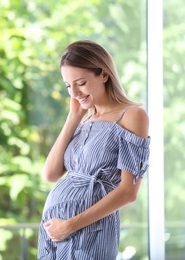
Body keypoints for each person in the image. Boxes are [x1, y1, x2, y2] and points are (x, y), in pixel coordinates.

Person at [37, 40, 151, 260]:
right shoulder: (85, 118)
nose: (75, 92)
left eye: (81, 83)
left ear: (104, 75)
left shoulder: (132, 116)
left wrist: (70, 225)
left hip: (90, 233)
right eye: (68, 86)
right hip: (54, 232)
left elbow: (129, 192)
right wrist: (73, 117)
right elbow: (50, 174)